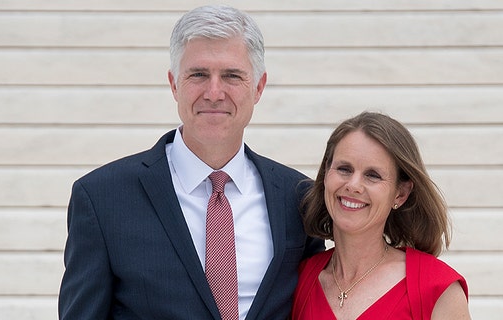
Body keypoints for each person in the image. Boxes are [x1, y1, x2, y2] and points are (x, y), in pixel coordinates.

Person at [58, 5, 324, 320]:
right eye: (198, 74)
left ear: (258, 87)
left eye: (231, 75)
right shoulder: (102, 198)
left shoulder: (298, 197)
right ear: (174, 84)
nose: (214, 92)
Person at [291, 112, 470, 319]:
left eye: (372, 175)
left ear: (400, 194)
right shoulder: (299, 279)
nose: (353, 185)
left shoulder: (436, 288)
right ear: (325, 176)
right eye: (344, 169)